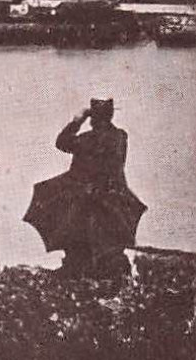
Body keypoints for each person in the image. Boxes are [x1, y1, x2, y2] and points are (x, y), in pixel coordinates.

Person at [24, 98, 146, 278]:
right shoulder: (119, 137)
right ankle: (92, 269)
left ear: (93, 119)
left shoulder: (86, 139)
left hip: (88, 199)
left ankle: (78, 268)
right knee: (105, 242)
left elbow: (61, 142)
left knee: (76, 230)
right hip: (112, 198)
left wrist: (77, 120)